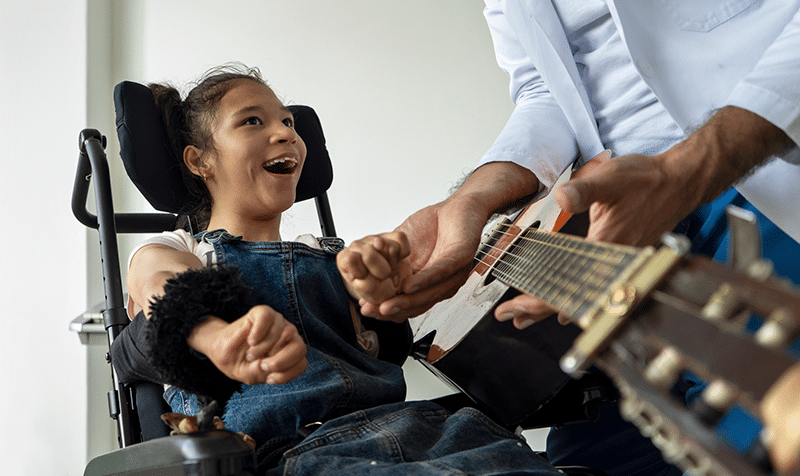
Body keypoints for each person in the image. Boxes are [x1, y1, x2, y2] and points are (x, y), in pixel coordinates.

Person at [355, 1, 800, 475]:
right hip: (607, 233)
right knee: (578, 467)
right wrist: (469, 203)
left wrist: (688, 169)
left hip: (759, 178)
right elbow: (544, 89)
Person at [114, 64, 565, 476]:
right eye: (253, 121)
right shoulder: (180, 248)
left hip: (420, 426)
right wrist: (217, 338)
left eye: (288, 122)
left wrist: (379, 295)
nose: (285, 133)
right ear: (200, 160)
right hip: (289, 455)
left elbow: (377, 342)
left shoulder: (329, 254)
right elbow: (162, 289)